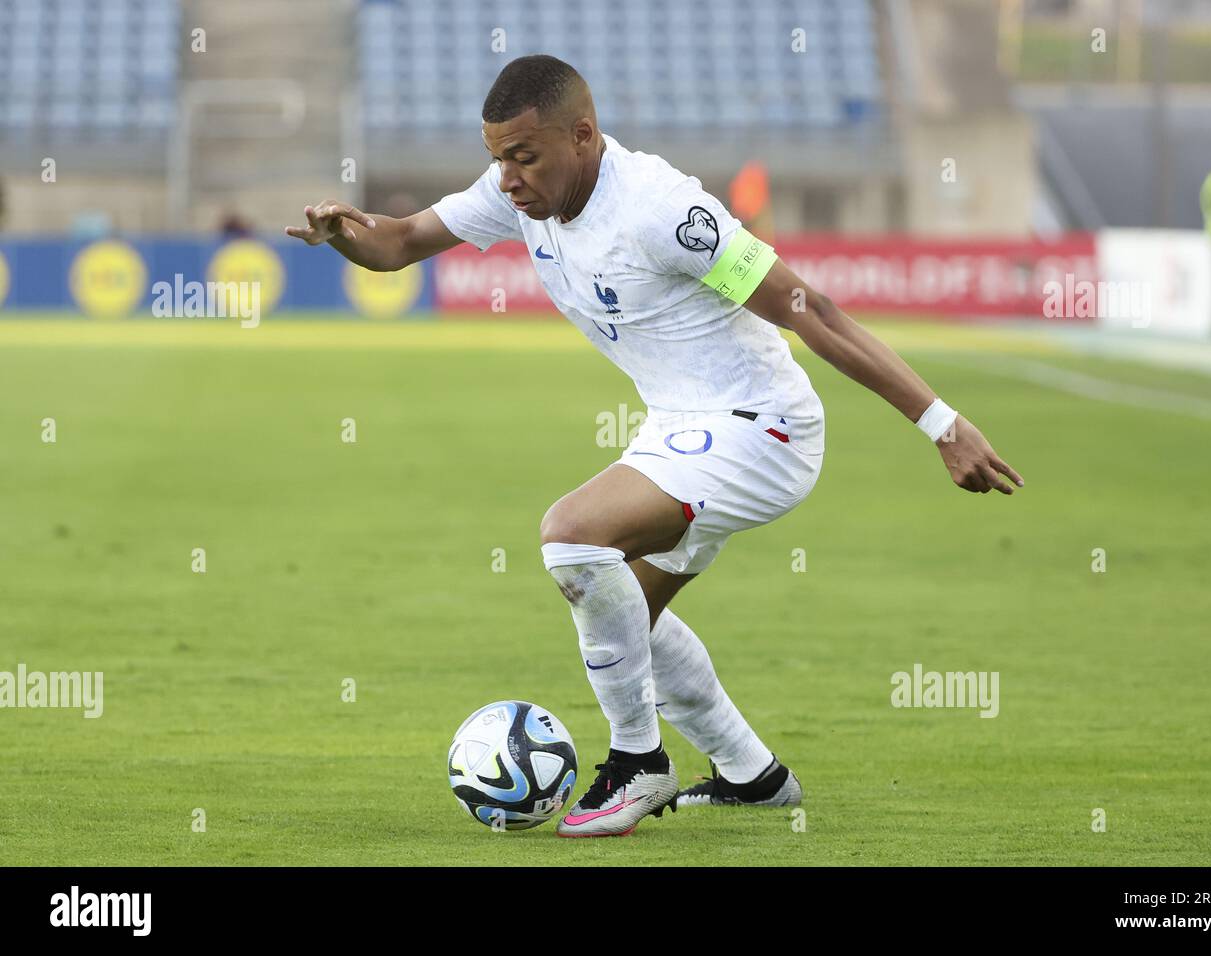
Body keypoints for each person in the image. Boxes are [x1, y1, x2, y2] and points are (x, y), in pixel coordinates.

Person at [285, 55, 1023, 838]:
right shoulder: (517, 199)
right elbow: (397, 243)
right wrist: (345, 235)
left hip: (761, 428)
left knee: (571, 537)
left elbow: (813, 309)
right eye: (497, 157)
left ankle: (639, 761)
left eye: (523, 157)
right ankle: (753, 774)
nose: (506, 178)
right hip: (680, 428)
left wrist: (942, 425)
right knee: (625, 615)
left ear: (583, 134)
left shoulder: (663, 209)